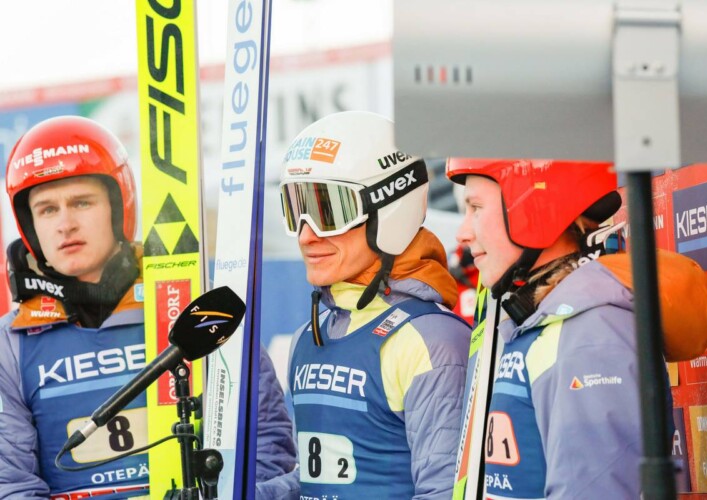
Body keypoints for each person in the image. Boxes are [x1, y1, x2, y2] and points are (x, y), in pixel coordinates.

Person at [0, 116, 296, 499]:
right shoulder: (13, 344)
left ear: (118, 205)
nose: (65, 224)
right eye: (46, 209)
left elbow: (265, 443)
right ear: (30, 224)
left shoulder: (188, 305)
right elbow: (13, 484)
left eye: (81, 202)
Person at [446, 158, 707, 499]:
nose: (463, 233)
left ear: (533, 209)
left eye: (476, 207)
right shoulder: (541, 324)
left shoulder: (591, 338)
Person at [260, 110, 471, 499]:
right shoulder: (310, 335)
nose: (306, 235)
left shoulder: (430, 342)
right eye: (295, 208)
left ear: (389, 209)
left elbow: (443, 491)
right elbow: (313, 481)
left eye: (328, 211)